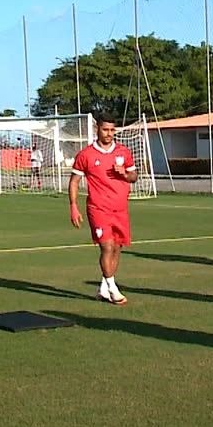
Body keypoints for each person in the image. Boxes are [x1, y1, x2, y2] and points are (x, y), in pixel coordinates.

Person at [68, 114, 137, 305]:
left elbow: (134, 176)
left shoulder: (123, 152)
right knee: (106, 246)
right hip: (98, 208)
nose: (109, 133)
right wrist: (73, 206)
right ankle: (113, 288)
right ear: (97, 129)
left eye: (112, 130)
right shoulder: (86, 155)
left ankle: (103, 288)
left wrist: (124, 173)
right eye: (105, 129)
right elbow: (74, 181)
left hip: (120, 209)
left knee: (116, 247)